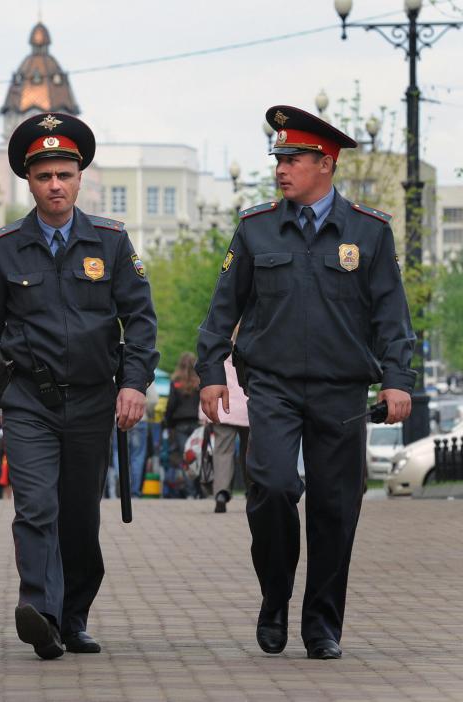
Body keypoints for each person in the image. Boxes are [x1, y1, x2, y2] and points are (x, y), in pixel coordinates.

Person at [196, 105, 415, 661]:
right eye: (278, 158)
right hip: (270, 385)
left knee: (335, 507)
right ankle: (275, 600)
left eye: (293, 159)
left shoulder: (370, 232)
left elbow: (392, 317)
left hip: (342, 392)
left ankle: (321, 625)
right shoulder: (255, 228)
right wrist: (209, 374)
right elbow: (223, 309)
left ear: (327, 162)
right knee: (269, 488)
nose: (281, 168)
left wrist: (397, 381)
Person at [0, 112, 158, 659]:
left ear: (80, 177)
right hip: (29, 402)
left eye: (64, 174)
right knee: (35, 507)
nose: (56, 185)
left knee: (80, 518)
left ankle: (74, 614)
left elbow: (140, 320)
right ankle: (40, 611)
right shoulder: (4, 247)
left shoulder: (111, 243)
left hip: (94, 401)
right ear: (29, 181)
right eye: (44, 177)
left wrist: (134, 384)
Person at [198, 356, 248, 513]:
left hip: (222, 408)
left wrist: (202, 414)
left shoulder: (218, 350)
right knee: (250, 451)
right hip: (248, 408)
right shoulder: (251, 343)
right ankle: (253, 490)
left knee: (222, 451)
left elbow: (207, 379)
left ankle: (221, 492)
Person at [163, 352, 200, 498]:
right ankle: (200, 491)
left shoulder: (176, 382)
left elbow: (170, 405)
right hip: (198, 424)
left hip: (180, 425)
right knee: (198, 457)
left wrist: (168, 424)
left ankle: (190, 492)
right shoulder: (199, 382)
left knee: (186, 458)